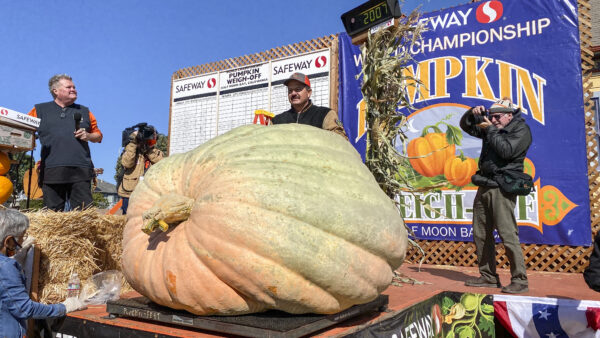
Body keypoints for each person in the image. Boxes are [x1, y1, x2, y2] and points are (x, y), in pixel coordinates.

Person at [459, 98, 532, 294]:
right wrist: (471, 114)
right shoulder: (494, 127)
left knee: (508, 235)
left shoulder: (521, 130)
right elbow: (466, 127)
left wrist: (490, 128)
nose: (494, 119)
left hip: (503, 187)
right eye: (491, 116)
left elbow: (506, 151)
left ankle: (520, 280)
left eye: (498, 116)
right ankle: (489, 277)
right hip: (485, 184)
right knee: (480, 234)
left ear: (509, 115)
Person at [0, 209, 85, 337]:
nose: (22, 242)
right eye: (22, 237)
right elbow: (24, 308)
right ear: (8, 241)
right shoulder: (6, 266)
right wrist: (64, 307)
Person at [28, 74, 103, 212]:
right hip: (51, 170)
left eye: (74, 87)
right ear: (55, 91)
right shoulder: (39, 110)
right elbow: (25, 131)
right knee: (53, 217)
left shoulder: (85, 111)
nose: (73, 89)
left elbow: (98, 136)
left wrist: (88, 135)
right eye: (68, 87)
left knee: (84, 215)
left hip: (80, 170)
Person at [271, 72, 348, 139]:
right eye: (290, 90)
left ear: (309, 93)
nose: (293, 93)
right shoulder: (277, 120)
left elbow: (341, 139)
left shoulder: (325, 114)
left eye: (298, 89)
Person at [117, 126, 163, 214]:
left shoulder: (157, 153)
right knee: (128, 220)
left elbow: (160, 164)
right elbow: (127, 163)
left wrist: (148, 150)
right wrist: (133, 142)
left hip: (148, 194)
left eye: (153, 140)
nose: (150, 142)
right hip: (129, 193)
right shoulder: (131, 150)